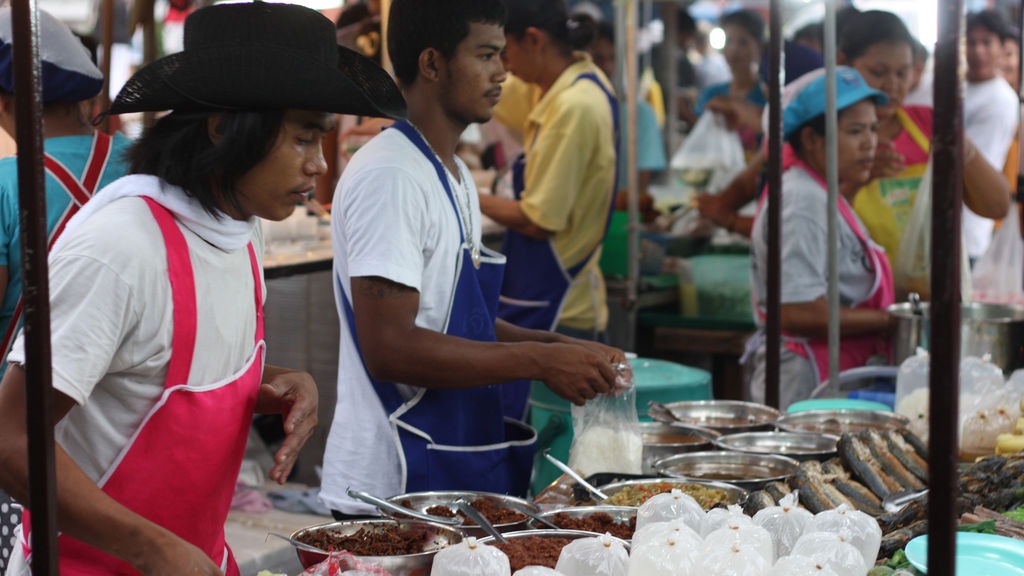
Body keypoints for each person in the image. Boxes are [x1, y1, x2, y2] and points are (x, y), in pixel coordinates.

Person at [0, 3, 405, 574]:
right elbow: (11, 440)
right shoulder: (121, 249)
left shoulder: (240, 228)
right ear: (222, 128)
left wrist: (273, 383)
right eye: (301, 138)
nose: (318, 164)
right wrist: (155, 548)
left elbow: (155, 370)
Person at [320, 0, 623, 519]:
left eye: (503, 54)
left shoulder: (453, 174)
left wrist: (559, 345)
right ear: (432, 63)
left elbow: (456, 321)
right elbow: (390, 348)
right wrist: (539, 361)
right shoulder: (391, 176)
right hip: (388, 488)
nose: (503, 72)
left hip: (444, 468)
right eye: (486, 55)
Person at [747, 67, 892, 410]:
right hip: (805, 383)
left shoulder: (824, 193)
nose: (870, 142)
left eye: (873, 128)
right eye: (855, 131)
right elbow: (796, 310)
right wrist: (892, 321)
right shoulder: (804, 201)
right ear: (811, 139)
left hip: (829, 379)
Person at [0, 10, 131, 379]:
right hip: (118, 397)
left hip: (24, 399)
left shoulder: (7, 182)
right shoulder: (145, 165)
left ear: (9, 103)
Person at [587, 19, 666, 222]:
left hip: (620, 222)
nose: (606, 66)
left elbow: (639, 189)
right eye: (598, 58)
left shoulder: (640, 114)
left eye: (613, 58)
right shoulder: (575, 108)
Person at [964, 10, 1020, 263]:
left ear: (1001, 47)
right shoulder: (955, 86)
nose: (978, 51)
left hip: (967, 226)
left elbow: (973, 164)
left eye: (986, 42)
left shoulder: (1000, 100)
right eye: (972, 42)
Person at [694, 9, 766, 159]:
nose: (734, 49)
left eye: (743, 42)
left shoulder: (767, 98)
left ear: (759, 47)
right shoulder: (712, 94)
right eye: (729, 41)